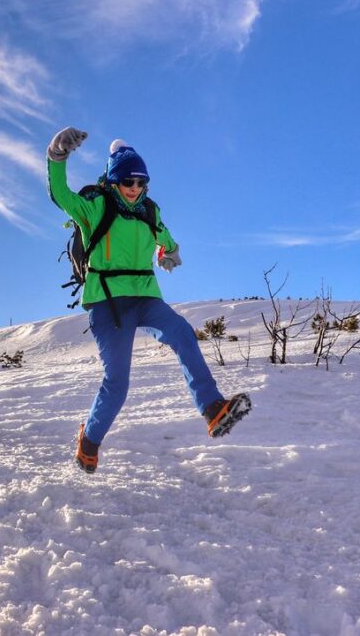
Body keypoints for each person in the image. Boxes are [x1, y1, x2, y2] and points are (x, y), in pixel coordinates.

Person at [46, 127, 251, 473]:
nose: (135, 188)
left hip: (145, 297)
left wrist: (170, 252)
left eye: (141, 182)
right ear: (114, 181)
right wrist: (57, 156)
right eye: (128, 182)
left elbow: (166, 238)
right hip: (108, 302)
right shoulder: (95, 207)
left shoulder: (149, 211)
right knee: (117, 384)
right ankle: (89, 441)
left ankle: (212, 408)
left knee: (182, 333)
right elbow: (60, 195)